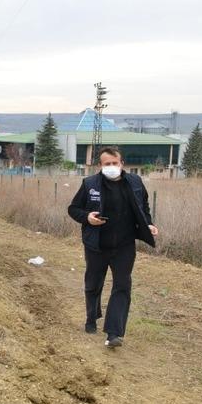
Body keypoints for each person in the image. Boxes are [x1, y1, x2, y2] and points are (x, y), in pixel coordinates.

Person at [67, 146, 159, 348]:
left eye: (114, 163)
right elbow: (73, 209)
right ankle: (91, 318)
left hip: (124, 246)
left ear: (122, 164)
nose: (111, 167)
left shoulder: (135, 182)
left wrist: (149, 224)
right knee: (93, 284)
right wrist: (87, 218)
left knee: (122, 285)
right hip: (96, 245)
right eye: (106, 164)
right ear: (100, 166)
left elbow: (143, 208)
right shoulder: (90, 184)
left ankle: (114, 333)